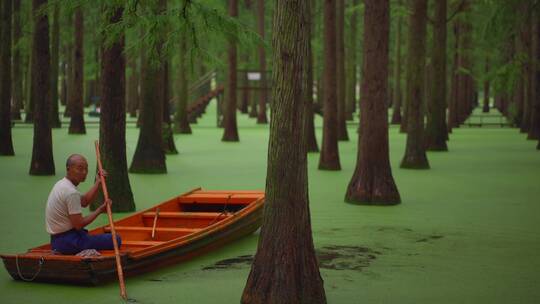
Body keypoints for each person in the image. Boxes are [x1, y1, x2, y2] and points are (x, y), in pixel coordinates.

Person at [45, 154, 121, 254]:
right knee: (116, 239)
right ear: (68, 169)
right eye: (80, 169)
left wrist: (98, 182)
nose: (84, 172)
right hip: (68, 242)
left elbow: (84, 201)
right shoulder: (70, 192)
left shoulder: (62, 184)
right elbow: (79, 224)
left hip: (58, 240)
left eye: (86, 169)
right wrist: (99, 211)